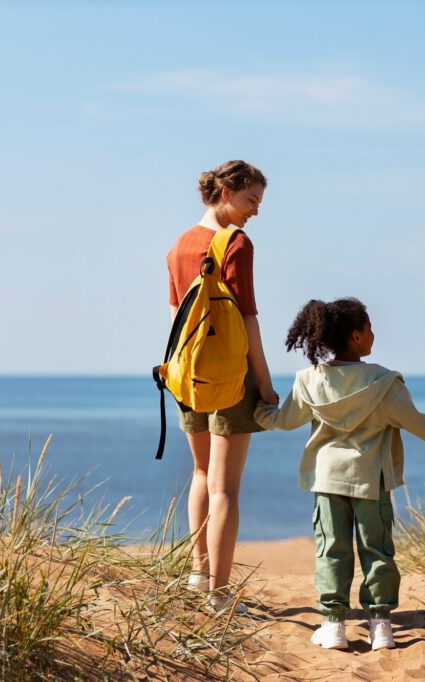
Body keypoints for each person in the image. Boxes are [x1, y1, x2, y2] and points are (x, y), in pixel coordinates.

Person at [255, 298, 425, 651]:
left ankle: (334, 624)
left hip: (327, 480)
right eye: (369, 328)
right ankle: (381, 626)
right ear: (356, 336)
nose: (373, 334)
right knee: (377, 550)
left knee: (331, 550)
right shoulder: (383, 383)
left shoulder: (309, 380)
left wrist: (259, 409)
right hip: (372, 481)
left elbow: (283, 420)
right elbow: (419, 424)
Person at [166, 159, 279, 612]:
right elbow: (247, 317)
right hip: (233, 377)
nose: (255, 210)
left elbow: (176, 317)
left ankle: (199, 574)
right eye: (251, 199)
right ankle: (219, 592)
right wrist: (266, 384)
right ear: (227, 191)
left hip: (187, 372)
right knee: (226, 488)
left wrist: (175, 372)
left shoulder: (178, 246)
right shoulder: (235, 243)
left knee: (199, 474)